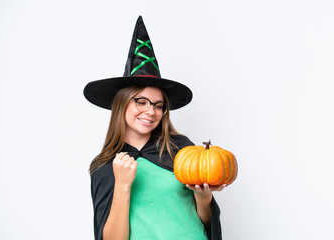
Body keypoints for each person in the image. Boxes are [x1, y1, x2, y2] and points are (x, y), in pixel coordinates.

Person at [84, 16, 228, 240]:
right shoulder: (104, 166)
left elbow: (207, 223)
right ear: (122, 103)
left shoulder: (181, 151)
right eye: (141, 102)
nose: (151, 111)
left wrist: (203, 197)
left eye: (158, 105)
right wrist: (122, 184)